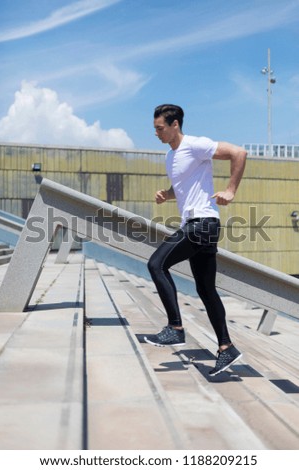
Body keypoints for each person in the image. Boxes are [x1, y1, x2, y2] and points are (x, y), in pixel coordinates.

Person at [144, 104, 247, 376]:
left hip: (202, 223)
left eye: (160, 128)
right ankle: (227, 348)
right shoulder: (171, 156)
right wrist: (167, 194)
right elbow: (185, 187)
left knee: (156, 264)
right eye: (155, 129)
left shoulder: (195, 145)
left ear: (174, 124)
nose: (156, 133)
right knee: (206, 290)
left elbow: (239, 153)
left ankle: (175, 328)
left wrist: (230, 190)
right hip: (200, 224)